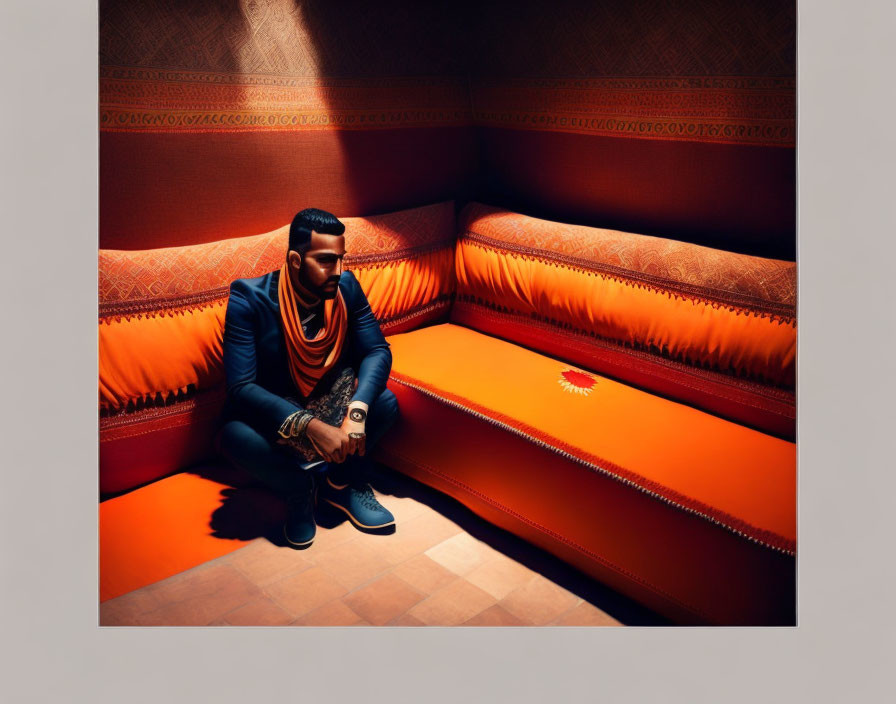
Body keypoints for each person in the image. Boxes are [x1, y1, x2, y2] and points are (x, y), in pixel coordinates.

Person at [216, 207, 398, 549]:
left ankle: (341, 484)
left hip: (331, 398)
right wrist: (312, 427)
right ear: (296, 261)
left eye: (341, 259)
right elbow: (241, 388)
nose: (338, 270)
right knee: (233, 437)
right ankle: (298, 489)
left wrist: (356, 412)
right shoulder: (248, 298)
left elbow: (377, 350)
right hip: (278, 417)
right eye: (326, 261)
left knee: (385, 403)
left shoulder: (346, 286)